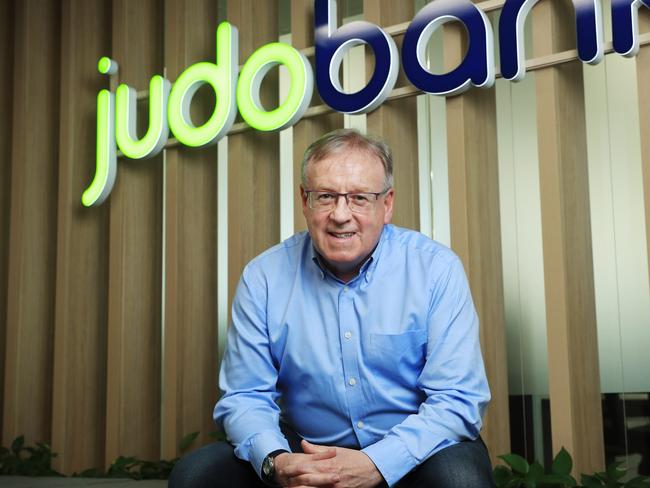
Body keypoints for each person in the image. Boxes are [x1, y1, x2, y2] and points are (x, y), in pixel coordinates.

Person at [169, 129, 494, 488]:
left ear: (386, 205)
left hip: (413, 452)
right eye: (326, 196)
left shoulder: (435, 269)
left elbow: (458, 399)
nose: (341, 215)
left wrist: (376, 463)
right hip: (305, 451)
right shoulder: (263, 277)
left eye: (358, 198)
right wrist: (279, 462)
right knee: (196, 476)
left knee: (460, 478)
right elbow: (245, 395)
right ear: (304, 201)